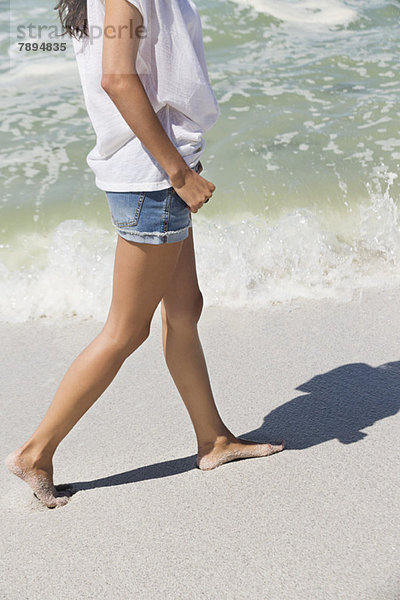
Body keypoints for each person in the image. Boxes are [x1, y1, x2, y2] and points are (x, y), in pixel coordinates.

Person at [4, 0, 284, 509]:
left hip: (154, 172)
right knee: (125, 330)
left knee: (184, 307)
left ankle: (214, 440)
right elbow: (117, 77)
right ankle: (35, 453)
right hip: (154, 180)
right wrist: (179, 174)